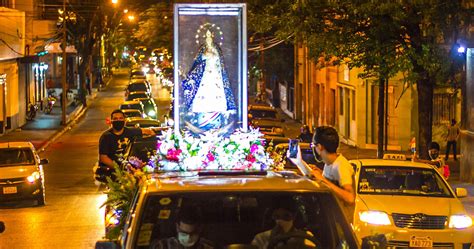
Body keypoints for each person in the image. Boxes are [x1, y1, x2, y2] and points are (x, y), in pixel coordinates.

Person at [289, 126, 355, 222]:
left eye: (313, 145)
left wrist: (323, 179)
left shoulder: (341, 166)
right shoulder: (330, 163)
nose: (314, 148)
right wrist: (300, 162)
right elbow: (324, 184)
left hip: (340, 226)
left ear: (319, 147)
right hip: (330, 220)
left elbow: (350, 197)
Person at [182, 28, 236, 135]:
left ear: (212, 34)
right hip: (205, 75)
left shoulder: (217, 48)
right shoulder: (202, 49)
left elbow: (221, 62)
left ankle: (216, 119)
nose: (208, 37)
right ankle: (204, 120)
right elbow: (197, 61)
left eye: (209, 34)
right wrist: (205, 56)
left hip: (216, 76)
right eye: (206, 34)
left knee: (217, 94)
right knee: (204, 94)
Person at [98, 109, 163, 170]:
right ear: (111, 121)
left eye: (121, 118)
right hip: (111, 171)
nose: (118, 120)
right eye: (115, 119)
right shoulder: (106, 137)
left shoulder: (129, 131)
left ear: (124, 120)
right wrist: (119, 169)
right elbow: (103, 158)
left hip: (129, 168)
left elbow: (147, 131)